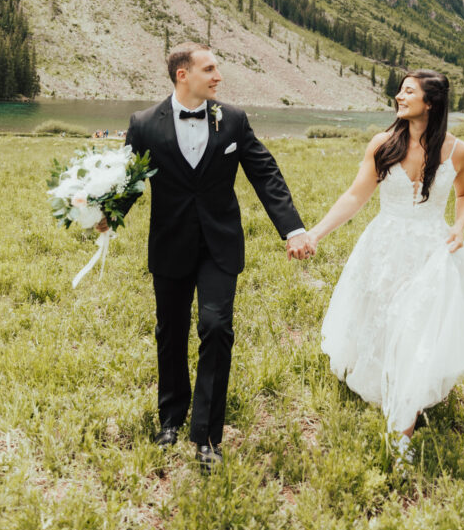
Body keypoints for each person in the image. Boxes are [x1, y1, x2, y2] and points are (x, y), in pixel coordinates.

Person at [100, 42, 311, 471]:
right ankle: (170, 419)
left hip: (220, 244)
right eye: (210, 68)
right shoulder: (143, 124)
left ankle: (208, 436)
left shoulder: (232, 119)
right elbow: (129, 178)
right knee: (170, 332)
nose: (218, 76)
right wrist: (106, 215)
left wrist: (293, 228)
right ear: (183, 74)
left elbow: (264, 171)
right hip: (170, 243)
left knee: (216, 329)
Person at [301, 69, 464, 461]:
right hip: (384, 247)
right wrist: (315, 233)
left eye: (408, 92)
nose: (399, 97)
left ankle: (402, 433)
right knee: (383, 321)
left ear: (430, 103)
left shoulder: (458, 151)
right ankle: (386, 385)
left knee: (418, 329)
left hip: (432, 251)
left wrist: (460, 225)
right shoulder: (383, 144)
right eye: (400, 91)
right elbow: (354, 197)